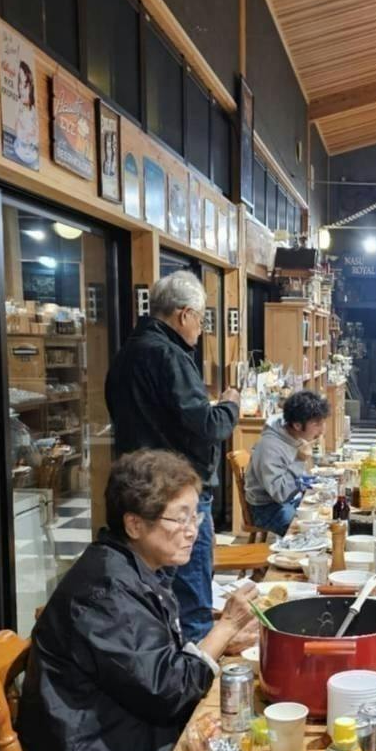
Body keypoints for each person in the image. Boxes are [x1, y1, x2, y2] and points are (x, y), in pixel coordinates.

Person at [19, 450, 259, 751]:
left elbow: (150, 669)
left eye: (195, 515)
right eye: (180, 518)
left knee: (241, 733)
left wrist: (222, 642)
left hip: (115, 741)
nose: (193, 529)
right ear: (134, 524)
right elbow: (168, 691)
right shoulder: (106, 592)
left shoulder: (126, 567)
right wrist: (224, 627)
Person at [105, 271, 240, 643]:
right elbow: (208, 426)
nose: (201, 328)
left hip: (140, 490)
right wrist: (230, 405)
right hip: (177, 494)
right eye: (201, 319)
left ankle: (169, 658)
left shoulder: (126, 353)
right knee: (192, 598)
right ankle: (194, 671)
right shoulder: (169, 355)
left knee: (155, 592)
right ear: (185, 315)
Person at [244, 389, 330, 535]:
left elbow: (300, 478)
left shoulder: (296, 437)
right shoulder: (269, 446)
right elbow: (280, 494)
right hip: (268, 509)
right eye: (317, 424)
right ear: (297, 425)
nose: (322, 430)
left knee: (325, 514)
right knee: (308, 530)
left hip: (291, 499)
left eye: (323, 422)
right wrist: (299, 460)